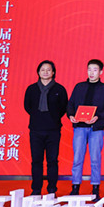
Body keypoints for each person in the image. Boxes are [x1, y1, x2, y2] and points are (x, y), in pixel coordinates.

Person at [67, 59, 104, 201]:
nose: (91, 72)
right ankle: (75, 187)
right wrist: (71, 115)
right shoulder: (79, 87)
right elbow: (70, 104)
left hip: (96, 128)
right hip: (79, 127)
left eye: (95, 70)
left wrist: (98, 116)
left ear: (101, 72)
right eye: (89, 69)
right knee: (77, 158)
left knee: (95, 158)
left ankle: (95, 188)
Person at [23, 60, 68, 196]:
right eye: (43, 70)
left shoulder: (59, 89)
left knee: (52, 161)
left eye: (48, 70)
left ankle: (52, 189)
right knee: (36, 161)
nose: (45, 72)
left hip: (53, 130)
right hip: (36, 129)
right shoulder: (31, 89)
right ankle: (36, 190)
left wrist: (52, 117)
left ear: (53, 72)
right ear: (38, 72)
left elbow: (63, 108)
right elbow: (27, 106)